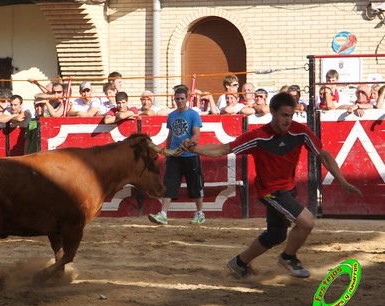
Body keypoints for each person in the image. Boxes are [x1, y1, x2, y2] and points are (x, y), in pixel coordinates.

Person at [181, 92, 363, 279]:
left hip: (287, 189)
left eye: (291, 115)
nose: (288, 120)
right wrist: (195, 149)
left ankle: (239, 263)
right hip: (270, 192)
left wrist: (342, 180)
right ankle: (288, 257)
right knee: (306, 222)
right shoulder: (258, 137)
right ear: (273, 112)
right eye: (284, 115)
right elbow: (224, 149)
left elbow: (323, 154)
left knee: (276, 234)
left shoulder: (299, 131)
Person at [148, 86, 205, 225]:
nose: (179, 101)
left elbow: (196, 134)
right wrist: (167, 155)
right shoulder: (172, 115)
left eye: (182, 99)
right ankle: (163, 214)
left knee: (195, 185)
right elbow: (170, 135)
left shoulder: (193, 115)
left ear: (187, 99)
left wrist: (190, 143)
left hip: (190, 155)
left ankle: (200, 213)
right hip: (174, 155)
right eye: (177, 99)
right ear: (174, 99)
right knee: (169, 184)